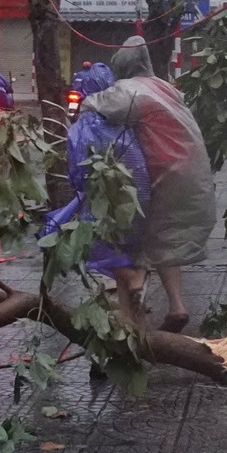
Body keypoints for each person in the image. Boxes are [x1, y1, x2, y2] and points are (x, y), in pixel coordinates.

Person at [82, 36, 215, 332]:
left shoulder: (128, 90)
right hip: (192, 170)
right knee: (165, 240)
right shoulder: (165, 87)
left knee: (136, 241)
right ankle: (177, 307)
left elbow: (95, 106)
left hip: (162, 170)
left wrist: (86, 96)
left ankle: (132, 315)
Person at [38, 63, 149, 277]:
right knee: (125, 248)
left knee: (74, 240)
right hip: (140, 199)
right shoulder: (123, 117)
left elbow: (80, 175)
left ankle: (133, 278)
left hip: (108, 201)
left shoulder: (87, 125)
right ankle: (130, 293)